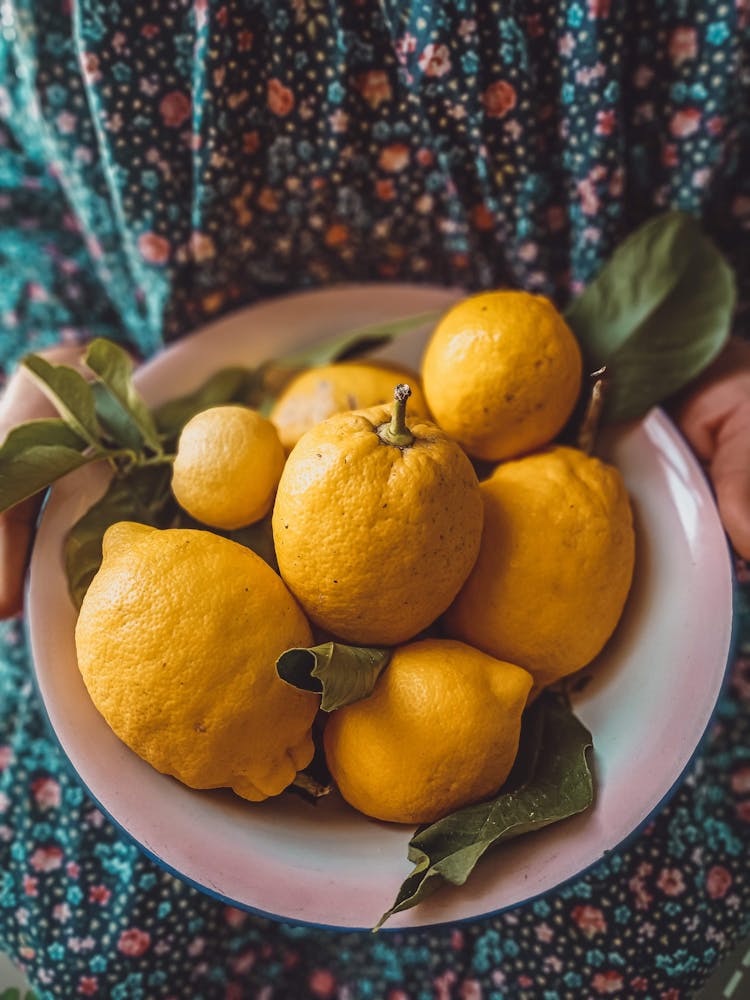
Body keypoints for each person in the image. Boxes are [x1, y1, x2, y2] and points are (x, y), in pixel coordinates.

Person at [0, 2, 748, 997]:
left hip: (551, 436)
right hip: (218, 505)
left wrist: (722, 370)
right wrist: (50, 360)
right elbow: (27, 191)